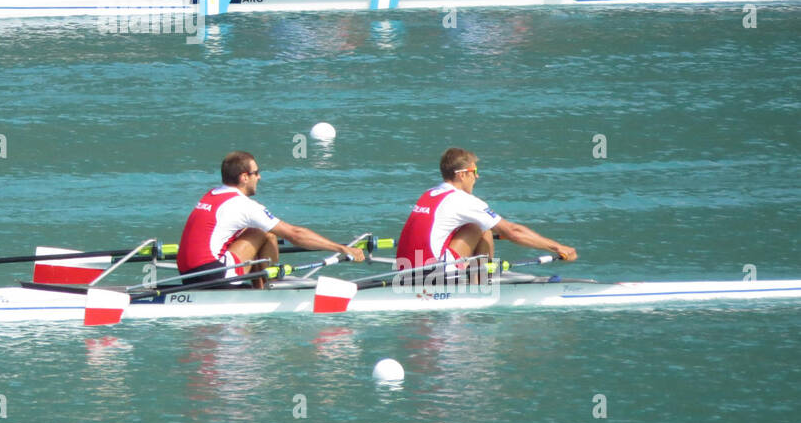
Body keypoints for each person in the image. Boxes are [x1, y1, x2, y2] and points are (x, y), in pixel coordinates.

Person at [178, 151, 366, 286]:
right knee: (267, 233)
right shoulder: (244, 205)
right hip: (212, 275)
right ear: (244, 177)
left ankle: (259, 284)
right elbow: (295, 234)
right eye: (256, 173)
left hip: (187, 274)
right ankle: (271, 285)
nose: (259, 177)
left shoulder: (211, 194)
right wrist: (341, 248)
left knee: (251, 232)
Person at [397, 147, 577, 272]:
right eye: (474, 171)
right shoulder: (464, 200)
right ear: (462, 174)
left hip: (405, 267)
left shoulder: (429, 193)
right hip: (431, 273)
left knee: (475, 226)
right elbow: (513, 232)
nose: (477, 176)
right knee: (483, 229)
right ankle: (481, 282)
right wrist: (558, 247)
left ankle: (471, 275)